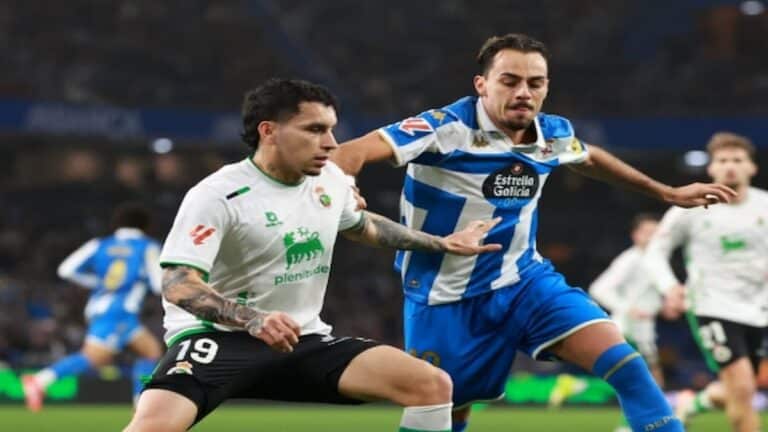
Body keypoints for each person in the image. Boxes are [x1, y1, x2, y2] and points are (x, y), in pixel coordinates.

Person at [331, 33, 736, 432]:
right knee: (448, 410)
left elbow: (588, 157)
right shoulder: (444, 128)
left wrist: (665, 191)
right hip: (444, 296)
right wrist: (346, 189)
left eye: (535, 83)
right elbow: (349, 153)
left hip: (525, 282)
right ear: (482, 85)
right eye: (510, 81)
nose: (523, 92)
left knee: (626, 365)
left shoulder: (552, 134)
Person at [123, 78, 502, 432]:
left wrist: (441, 243)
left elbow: (361, 225)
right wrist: (252, 319)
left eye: (332, 129)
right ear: (268, 131)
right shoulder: (218, 194)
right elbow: (177, 284)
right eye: (315, 129)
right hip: (220, 338)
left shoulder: (330, 181)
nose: (332, 143)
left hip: (301, 339)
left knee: (431, 385)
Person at [644, 132, 768, 432]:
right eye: (722, 160)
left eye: (737, 160)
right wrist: (669, 287)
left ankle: (694, 404)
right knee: (741, 388)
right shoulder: (691, 207)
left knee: (740, 388)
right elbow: (655, 251)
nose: (730, 167)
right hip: (713, 306)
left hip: (759, 309)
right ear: (711, 169)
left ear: (752, 167)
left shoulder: (764, 205)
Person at [22, 202, 164, 411]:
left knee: (150, 351)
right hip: (120, 310)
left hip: (99, 306)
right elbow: (157, 284)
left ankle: (141, 402)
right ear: (146, 225)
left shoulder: (100, 244)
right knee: (94, 357)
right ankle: (39, 381)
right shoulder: (148, 246)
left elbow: (65, 270)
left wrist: (98, 282)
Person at [587, 213, 674, 432]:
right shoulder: (630, 259)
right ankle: (633, 426)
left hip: (645, 329)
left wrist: (662, 307)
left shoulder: (656, 260)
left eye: (656, 233)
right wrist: (628, 308)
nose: (652, 237)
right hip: (627, 329)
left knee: (645, 381)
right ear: (635, 235)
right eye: (647, 232)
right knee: (647, 380)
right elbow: (599, 288)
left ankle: (640, 425)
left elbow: (649, 295)